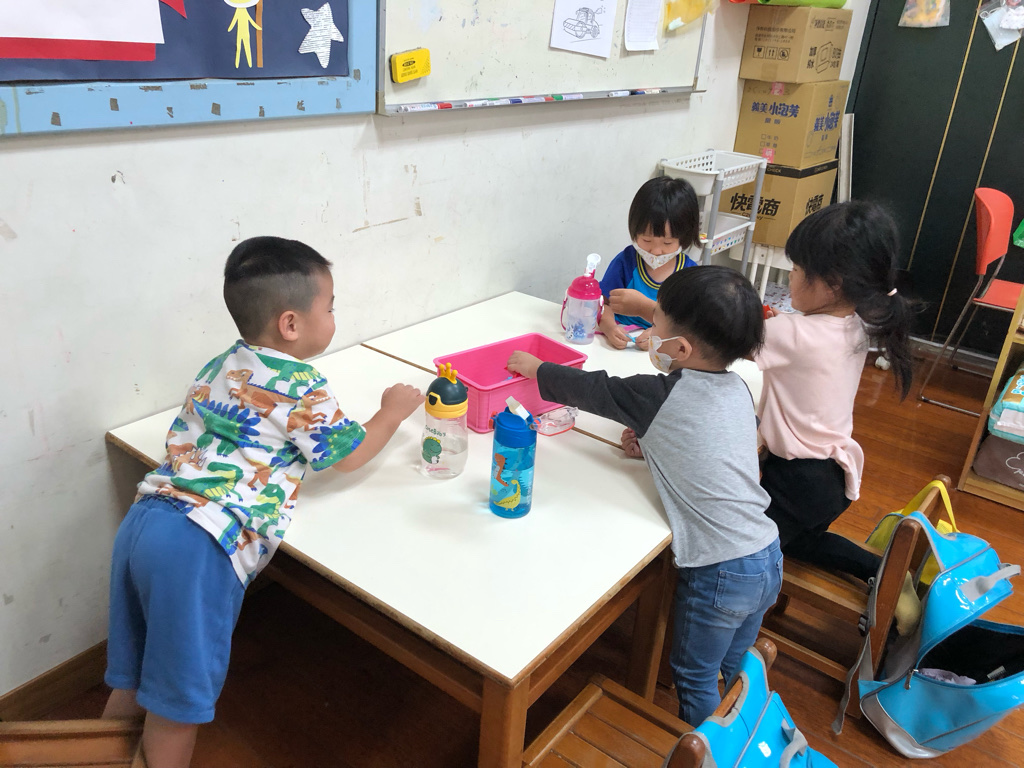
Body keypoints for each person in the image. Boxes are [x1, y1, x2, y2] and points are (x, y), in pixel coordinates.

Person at [100, 236, 423, 768]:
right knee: (175, 705)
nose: (334, 317)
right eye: (331, 307)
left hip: (145, 521)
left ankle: (90, 754)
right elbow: (347, 456)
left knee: (135, 674)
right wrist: (391, 412)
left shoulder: (222, 363)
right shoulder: (302, 384)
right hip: (200, 547)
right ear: (291, 323)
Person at [507, 266, 780, 727]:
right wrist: (656, 447)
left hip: (719, 569)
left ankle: (712, 755)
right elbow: (720, 450)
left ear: (682, 349)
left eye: (657, 327)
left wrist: (537, 370)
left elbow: (596, 390)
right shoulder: (736, 388)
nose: (651, 334)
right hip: (766, 554)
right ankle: (754, 741)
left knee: (695, 679)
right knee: (739, 672)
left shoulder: (659, 396)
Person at [756, 201, 913, 583]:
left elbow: (716, 337)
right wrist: (784, 330)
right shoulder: (857, 327)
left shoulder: (792, 334)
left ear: (833, 283)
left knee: (740, 548)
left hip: (795, 481)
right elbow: (805, 349)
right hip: (833, 478)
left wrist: (649, 309)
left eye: (796, 269)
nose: (789, 276)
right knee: (799, 542)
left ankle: (741, 609)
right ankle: (884, 572)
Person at [598, 176, 701, 350]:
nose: (656, 251)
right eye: (646, 240)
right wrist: (609, 328)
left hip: (662, 352)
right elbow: (603, 303)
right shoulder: (626, 262)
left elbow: (689, 325)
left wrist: (659, 334)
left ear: (684, 238)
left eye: (667, 243)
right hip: (619, 342)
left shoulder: (689, 275)